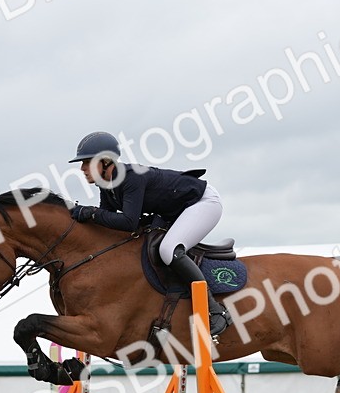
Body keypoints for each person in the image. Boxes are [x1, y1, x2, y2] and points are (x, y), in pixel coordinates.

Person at [67, 131, 232, 337]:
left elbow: (128, 222)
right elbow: (107, 221)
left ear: (105, 161)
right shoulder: (107, 184)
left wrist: (91, 213)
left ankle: (216, 311)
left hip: (203, 203)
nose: (82, 168)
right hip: (176, 211)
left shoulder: (130, 178)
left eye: (87, 162)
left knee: (169, 249)